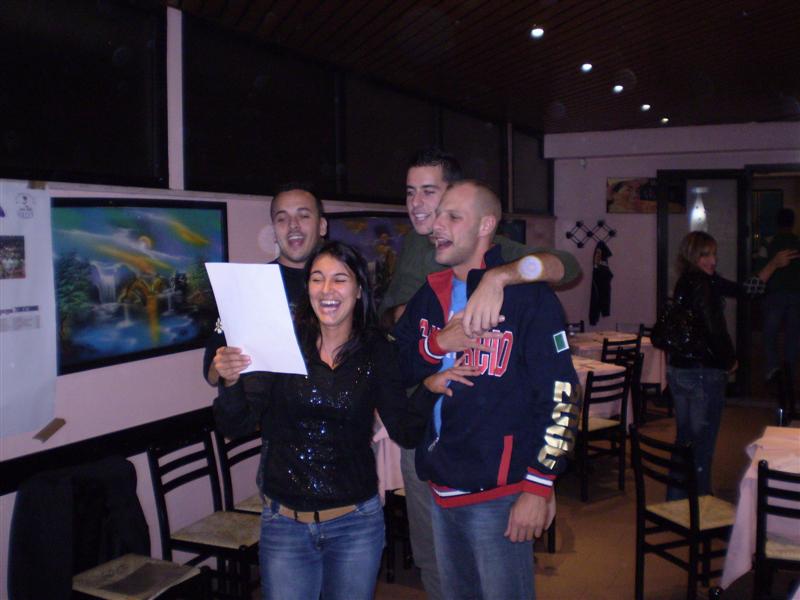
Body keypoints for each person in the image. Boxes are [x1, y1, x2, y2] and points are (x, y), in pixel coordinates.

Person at [213, 241, 478, 600]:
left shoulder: (377, 350)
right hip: (285, 524)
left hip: (355, 524)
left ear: (358, 291)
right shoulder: (281, 343)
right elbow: (237, 425)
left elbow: (405, 431)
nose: (327, 290)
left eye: (339, 279)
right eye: (317, 279)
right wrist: (230, 382)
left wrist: (428, 388)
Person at [380, 149, 580, 600]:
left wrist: (539, 484)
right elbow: (394, 367)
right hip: (440, 485)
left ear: (486, 225)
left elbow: (563, 396)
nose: (436, 225)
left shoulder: (529, 298)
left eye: (453, 217)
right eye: (438, 216)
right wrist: (437, 346)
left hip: (500, 493)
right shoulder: (429, 295)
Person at [665, 231, 797, 499]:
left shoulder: (690, 280)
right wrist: (729, 360)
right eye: (705, 255)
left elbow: (745, 290)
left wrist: (772, 265)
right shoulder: (702, 283)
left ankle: (676, 500)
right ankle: (699, 504)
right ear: (692, 255)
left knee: (686, 439)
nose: (712, 260)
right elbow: (714, 328)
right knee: (702, 442)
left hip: (681, 369)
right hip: (702, 372)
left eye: (714, 254)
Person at [203, 184, 327, 385]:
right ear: (274, 231)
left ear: (322, 226)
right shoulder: (248, 286)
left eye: (303, 216)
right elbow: (211, 372)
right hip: (266, 403)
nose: (293, 225)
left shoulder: (341, 285)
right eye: (282, 219)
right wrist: (223, 367)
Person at [762, 208, 800, 384]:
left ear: (777, 223)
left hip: (775, 293)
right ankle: (790, 371)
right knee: (793, 335)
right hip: (796, 294)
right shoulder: (797, 242)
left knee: (770, 333)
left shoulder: (769, 243)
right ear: (792, 223)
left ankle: (773, 367)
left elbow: (760, 268)